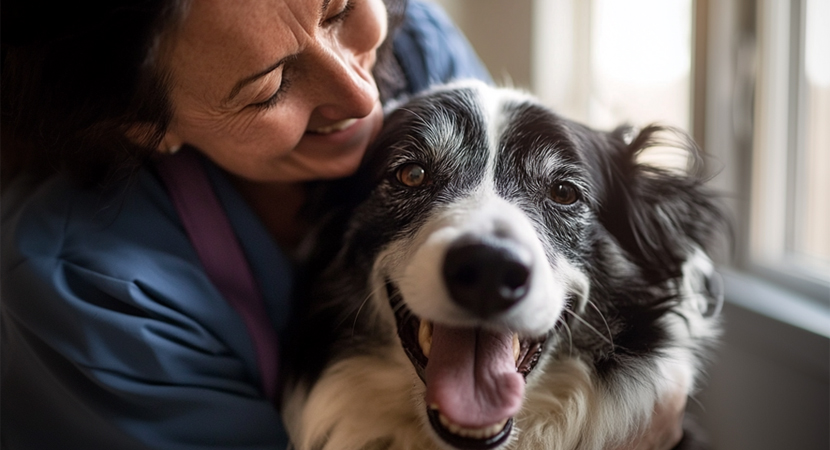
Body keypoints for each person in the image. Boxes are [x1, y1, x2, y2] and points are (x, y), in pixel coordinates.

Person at [0, 0, 687, 449]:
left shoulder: (410, 34)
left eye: (337, 10)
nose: (364, 96)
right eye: (270, 85)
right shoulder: (86, 280)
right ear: (144, 124)